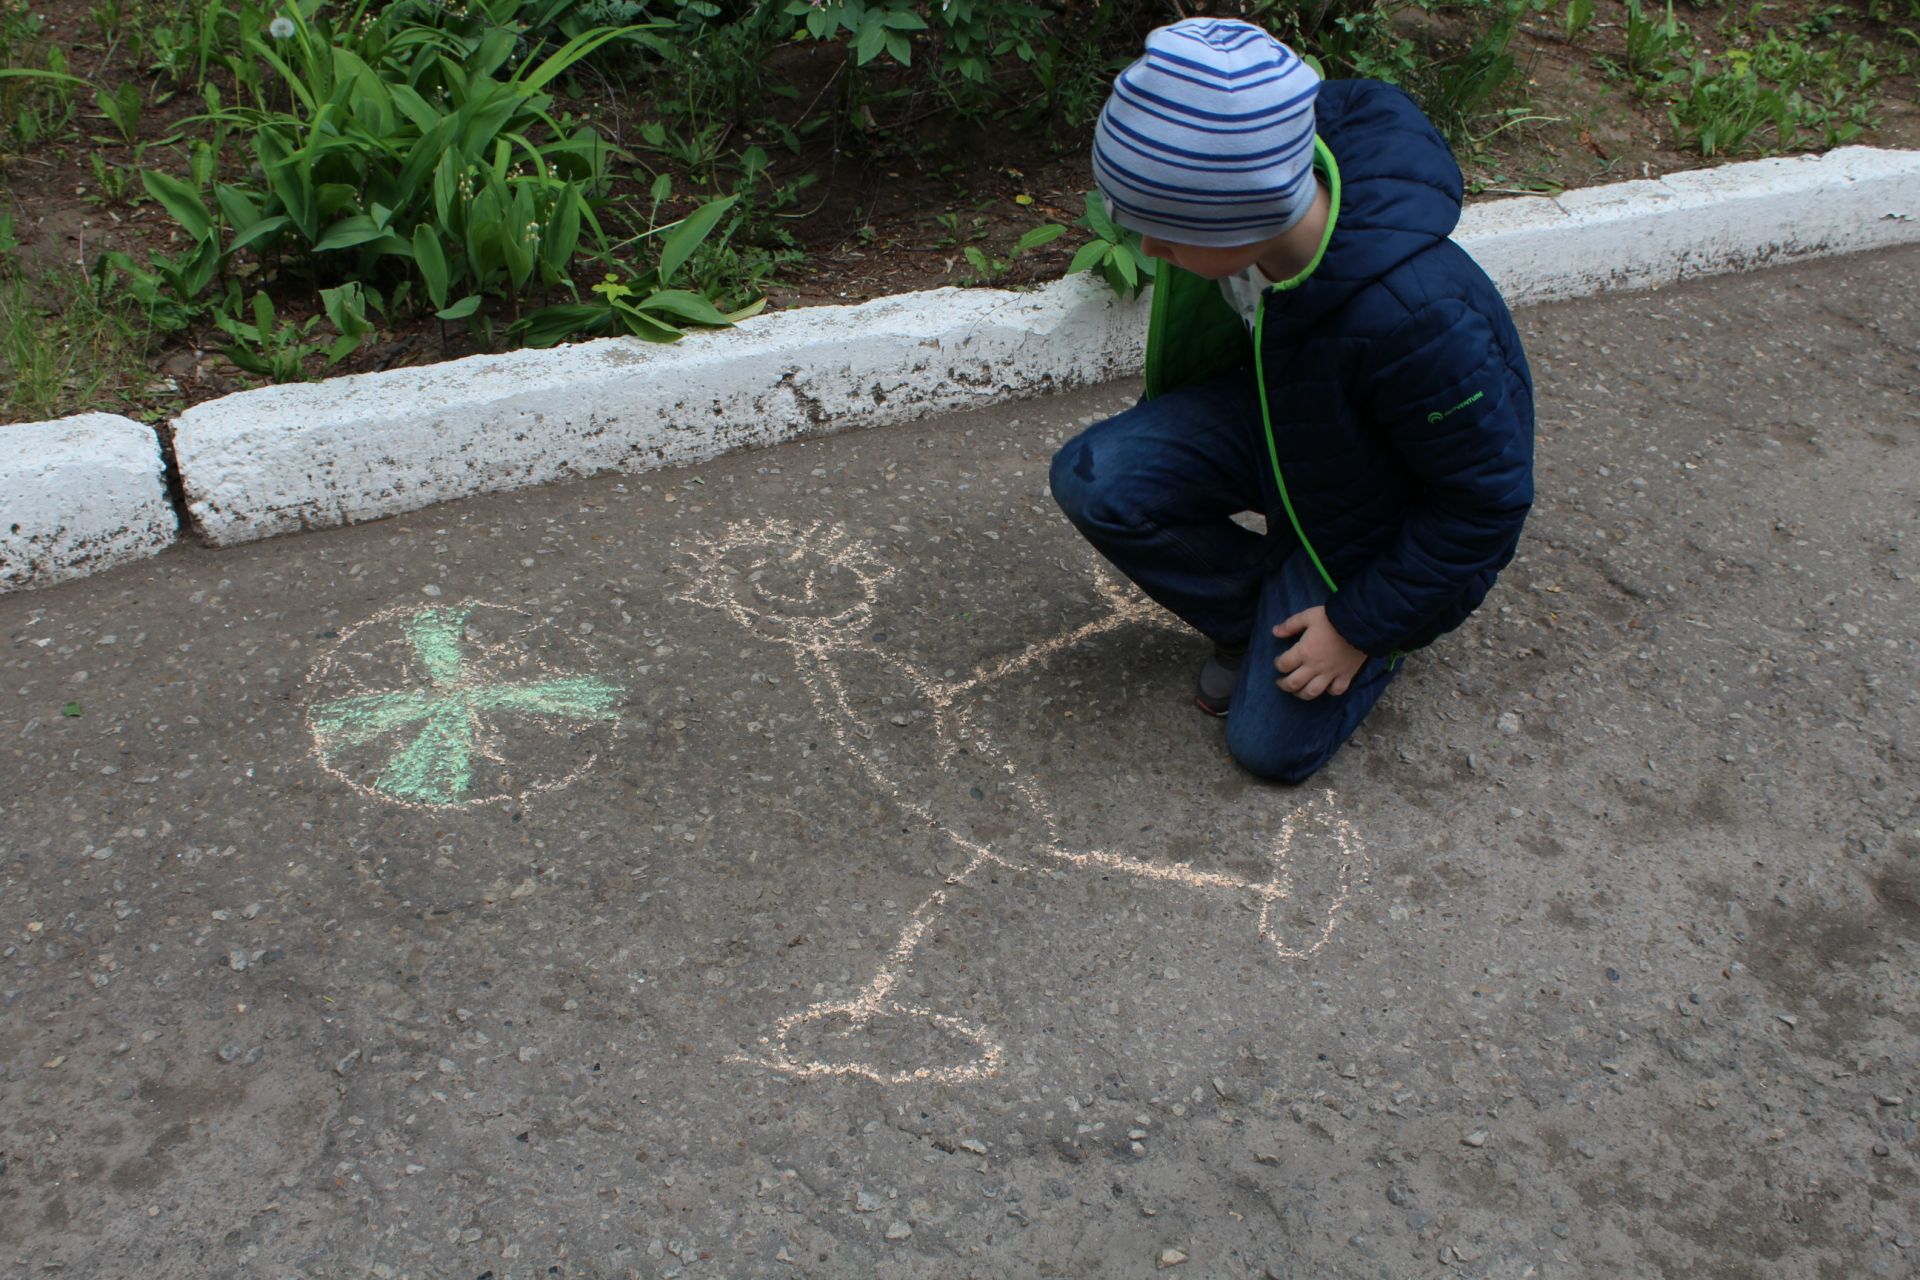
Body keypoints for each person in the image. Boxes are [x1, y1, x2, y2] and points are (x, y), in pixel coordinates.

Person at [1049, 16, 1535, 783]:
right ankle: (1261, 614)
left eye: (1167, 235)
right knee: (1096, 476)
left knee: (1269, 749)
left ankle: (1353, 624)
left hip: (1376, 512)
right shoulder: (1242, 220)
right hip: (1294, 423)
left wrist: (1359, 624)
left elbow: (1485, 504)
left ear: (1242, 214)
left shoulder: (1416, 320)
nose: (1148, 252)